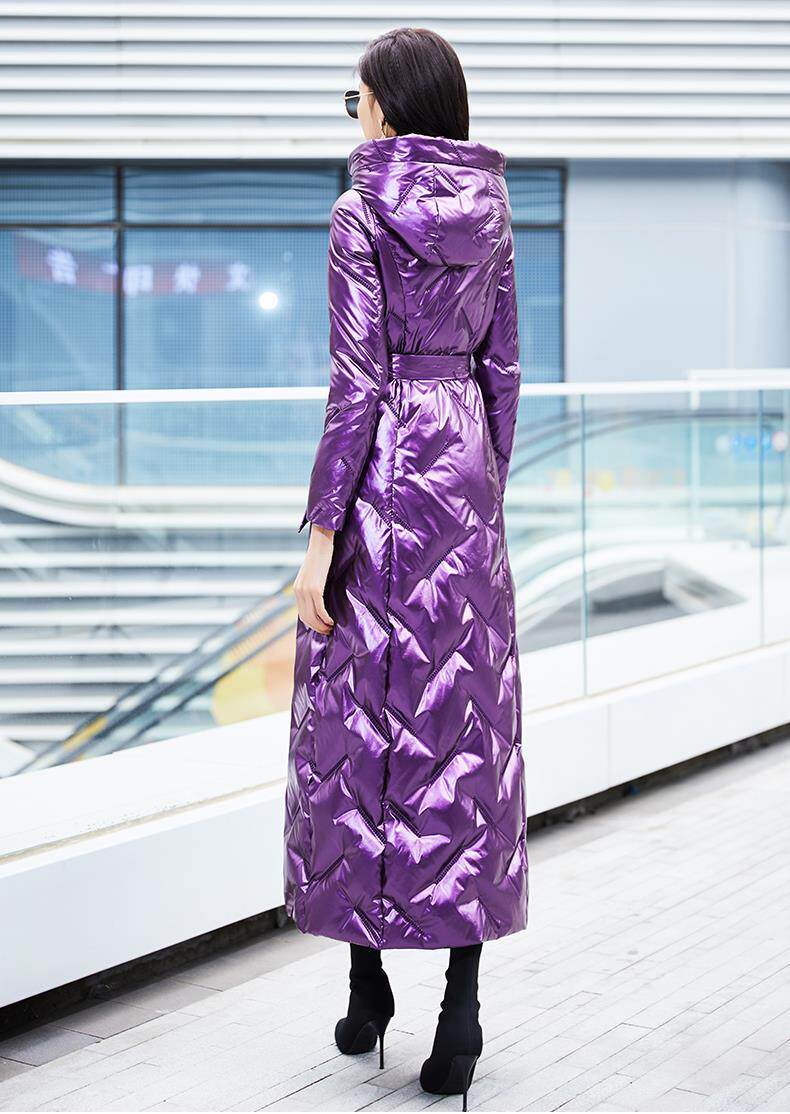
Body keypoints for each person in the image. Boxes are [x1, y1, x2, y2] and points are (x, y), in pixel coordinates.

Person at [283, 26, 528, 1109]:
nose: (357, 116)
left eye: (358, 99)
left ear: (386, 106)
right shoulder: (494, 212)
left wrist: (319, 540)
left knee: (361, 732)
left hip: (384, 485)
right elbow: (504, 371)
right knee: (466, 735)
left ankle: (366, 983)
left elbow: (354, 386)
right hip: (464, 480)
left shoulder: (359, 212)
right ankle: (460, 1010)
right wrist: (482, 494)